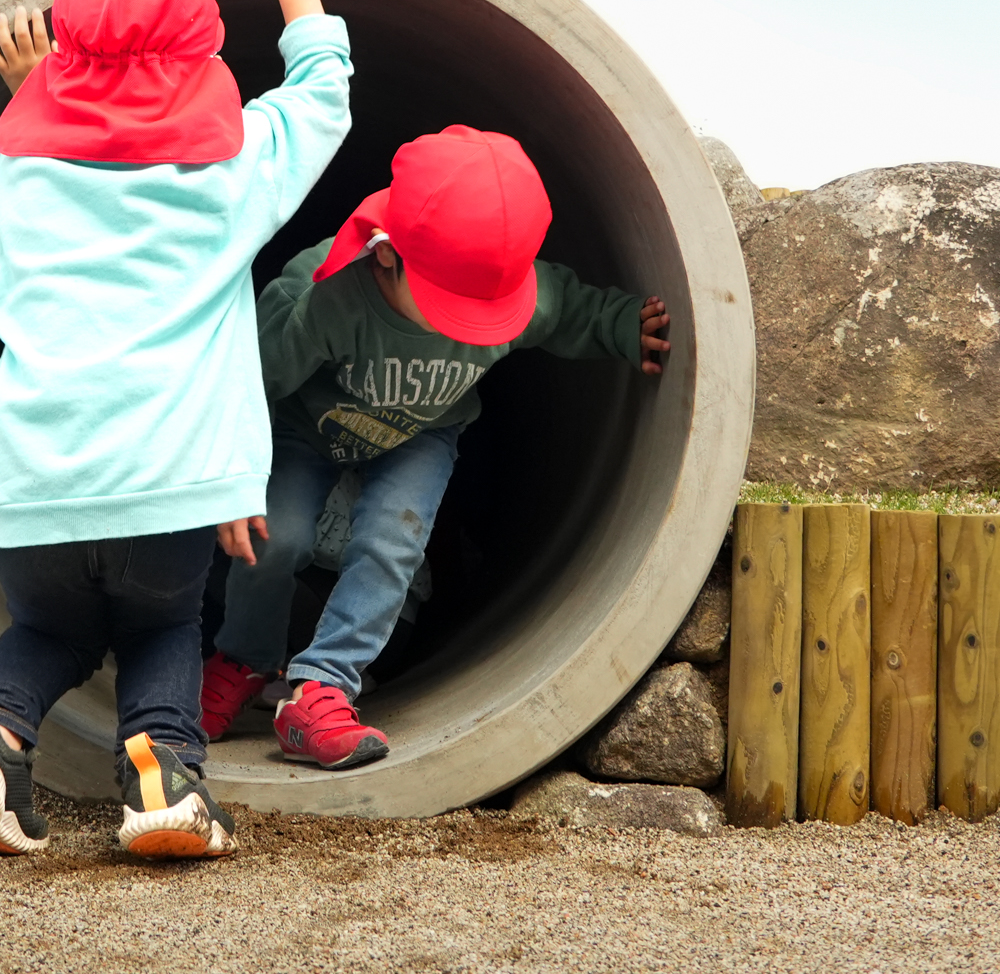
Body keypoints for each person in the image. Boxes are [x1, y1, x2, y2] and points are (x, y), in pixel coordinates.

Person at [0, 0, 350, 857]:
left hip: (30, 486)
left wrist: (34, 101)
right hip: (166, 486)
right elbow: (323, 96)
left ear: (63, 63)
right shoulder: (229, 177)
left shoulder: (20, 189)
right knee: (163, 627)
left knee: (54, 631)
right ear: (202, 64)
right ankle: (164, 776)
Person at [201, 125, 673, 769]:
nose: (471, 326)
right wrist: (227, 466)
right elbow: (253, 381)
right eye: (453, 307)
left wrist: (625, 327)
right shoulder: (329, 294)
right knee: (272, 534)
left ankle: (323, 685)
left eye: (489, 310)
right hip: (310, 423)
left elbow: (569, 308)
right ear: (387, 254)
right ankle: (245, 656)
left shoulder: (519, 293)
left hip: (422, 430)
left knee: (392, 542)